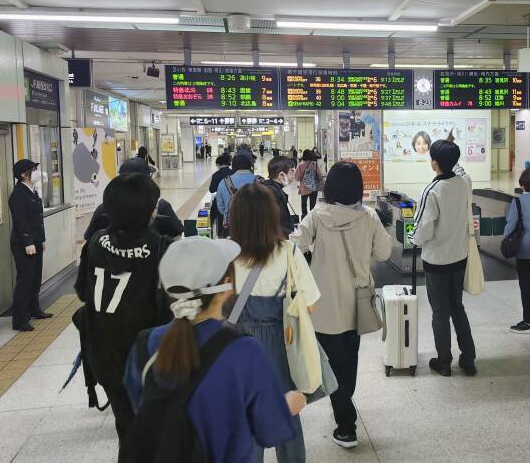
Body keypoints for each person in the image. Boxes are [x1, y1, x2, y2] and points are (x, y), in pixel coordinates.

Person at [123, 236, 307, 463]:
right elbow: (269, 431)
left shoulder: (144, 344)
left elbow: (140, 404)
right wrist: (288, 403)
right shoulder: (245, 351)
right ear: (226, 287)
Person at [293, 162, 392, 449]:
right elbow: (384, 252)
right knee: (349, 361)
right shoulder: (369, 216)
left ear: (330, 186)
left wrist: (315, 255)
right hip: (357, 303)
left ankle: (346, 425)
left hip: (324, 306)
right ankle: (345, 407)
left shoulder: (317, 215)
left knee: (333, 365)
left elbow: (296, 246)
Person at [75, 173, 173, 450]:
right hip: (146, 357)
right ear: (147, 211)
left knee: (126, 428)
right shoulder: (160, 248)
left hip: (103, 353)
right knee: (155, 434)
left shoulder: (94, 242)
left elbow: (83, 292)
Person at [229, 184, 320, 462]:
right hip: (282, 348)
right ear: (272, 216)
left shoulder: (226, 256)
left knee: (245, 417)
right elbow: (311, 304)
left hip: (237, 350)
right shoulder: (289, 253)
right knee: (287, 415)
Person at [410, 138, 477, 377]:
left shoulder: (432, 190)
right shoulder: (463, 183)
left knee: (439, 311)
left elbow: (423, 229)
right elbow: (460, 171)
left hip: (437, 261)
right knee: (457, 308)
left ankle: (444, 362)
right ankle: (468, 360)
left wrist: (413, 239)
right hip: (459, 257)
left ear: (434, 163)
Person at [83, 159, 183, 241]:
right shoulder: (161, 206)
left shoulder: (104, 208)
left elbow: (88, 241)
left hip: (110, 264)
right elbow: (176, 239)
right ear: (148, 179)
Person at [9, 158, 52, 332]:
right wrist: (28, 242)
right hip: (22, 244)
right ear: (23, 174)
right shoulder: (18, 194)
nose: (35, 172)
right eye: (32, 169)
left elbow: (37, 219)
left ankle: (34, 309)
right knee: (25, 280)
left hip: (35, 241)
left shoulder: (32, 191)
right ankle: (19, 319)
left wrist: (41, 239)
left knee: (35, 278)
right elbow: (21, 221)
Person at [504, 167, 530, 334]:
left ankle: (529, 321)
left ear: (521, 184)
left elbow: (511, 224)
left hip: (524, 249)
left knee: (525, 283)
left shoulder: (518, 202)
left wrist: (505, 238)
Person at [216, 155, 259, 231]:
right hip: (257, 226)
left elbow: (221, 206)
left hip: (232, 225)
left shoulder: (224, 182)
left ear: (233, 167)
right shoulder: (260, 181)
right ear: (250, 166)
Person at [262, 156, 297, 238]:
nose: (293, 175)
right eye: (291, 171)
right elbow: (279, 223)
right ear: (281, 175)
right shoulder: (273, 194)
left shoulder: (268, 188)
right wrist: (292, 235)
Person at [209, 154, 234, 238]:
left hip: (220, 202)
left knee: (214, 214)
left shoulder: (216, 175)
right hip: (233, 201)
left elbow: (212, 189)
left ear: (218, 164)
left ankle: (219, 234)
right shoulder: (233, 173)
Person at [295, 150, 322, 218]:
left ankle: (305, 218)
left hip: (304, 188)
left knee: (304, 204)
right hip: (314, 187)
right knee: (313, 204)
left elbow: (297, 178)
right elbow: (320, 175)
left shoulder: (300, 165)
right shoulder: (315, 164)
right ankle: (313, 219)